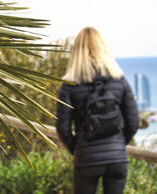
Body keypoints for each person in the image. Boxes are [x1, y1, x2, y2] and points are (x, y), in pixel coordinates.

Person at [56, 27, 139, 194]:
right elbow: (133, 122)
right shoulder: (119, 80)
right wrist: (119, 144)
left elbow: (63, 128)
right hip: (117, 159)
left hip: (86, 157)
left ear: (76, 51)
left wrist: (77, 148)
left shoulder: (69, 85)